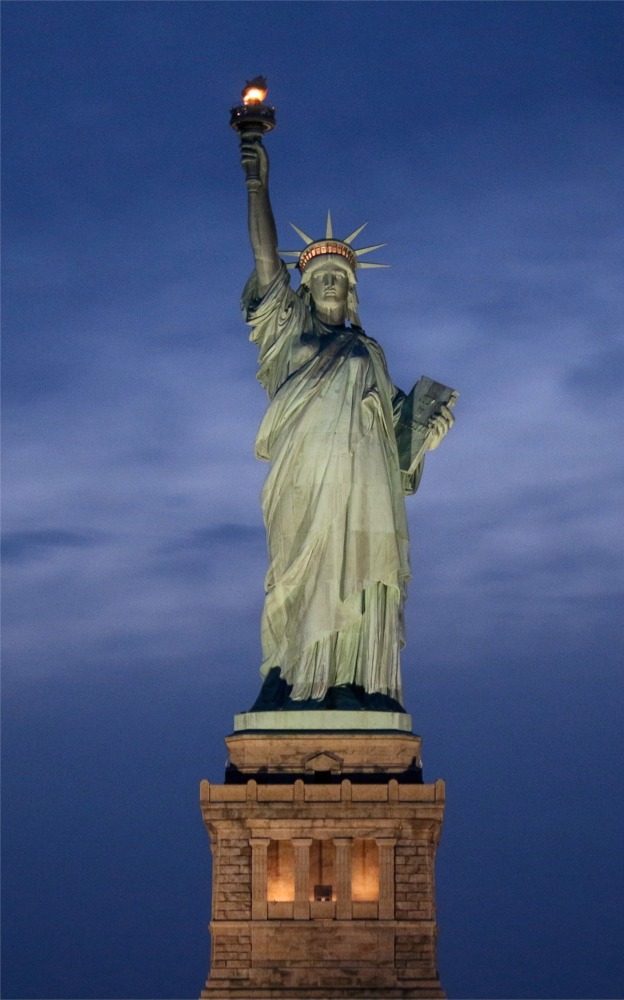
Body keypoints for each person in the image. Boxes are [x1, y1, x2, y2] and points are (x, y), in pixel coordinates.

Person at [239, 136, 454, 712]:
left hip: (366, 487)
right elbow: (265, 262)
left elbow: (397, 436)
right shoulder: (289, 334)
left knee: (362, 574)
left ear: (352, 288)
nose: (330, 280)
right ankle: (292, 676)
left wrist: (425, 428)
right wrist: (257, 183)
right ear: (305, 287)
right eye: (319, 275)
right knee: (298, 574)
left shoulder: (369, 352)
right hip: (306, 479)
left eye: (339, 274)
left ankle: (352, 681)